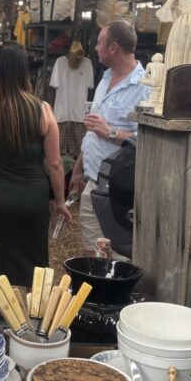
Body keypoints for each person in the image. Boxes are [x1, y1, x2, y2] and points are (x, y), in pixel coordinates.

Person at [0, 41, 71, 285]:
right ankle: (28, 316)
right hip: (30, 199)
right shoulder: (42, 110)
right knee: (31, 265)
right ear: (23, 70)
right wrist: (60, 201)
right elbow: (54, 164)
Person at [69, 21, 150, 255]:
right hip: (93, 181)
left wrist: (110, 132)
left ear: (113, 47)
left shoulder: (144, 87)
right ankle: (93, 291)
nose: (95, 47)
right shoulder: (105, 78)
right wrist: (77, 169)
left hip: (120, 190)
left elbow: (146, 140)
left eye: (99, 43)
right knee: (91, 253)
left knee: (117, 257)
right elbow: (93, 130)